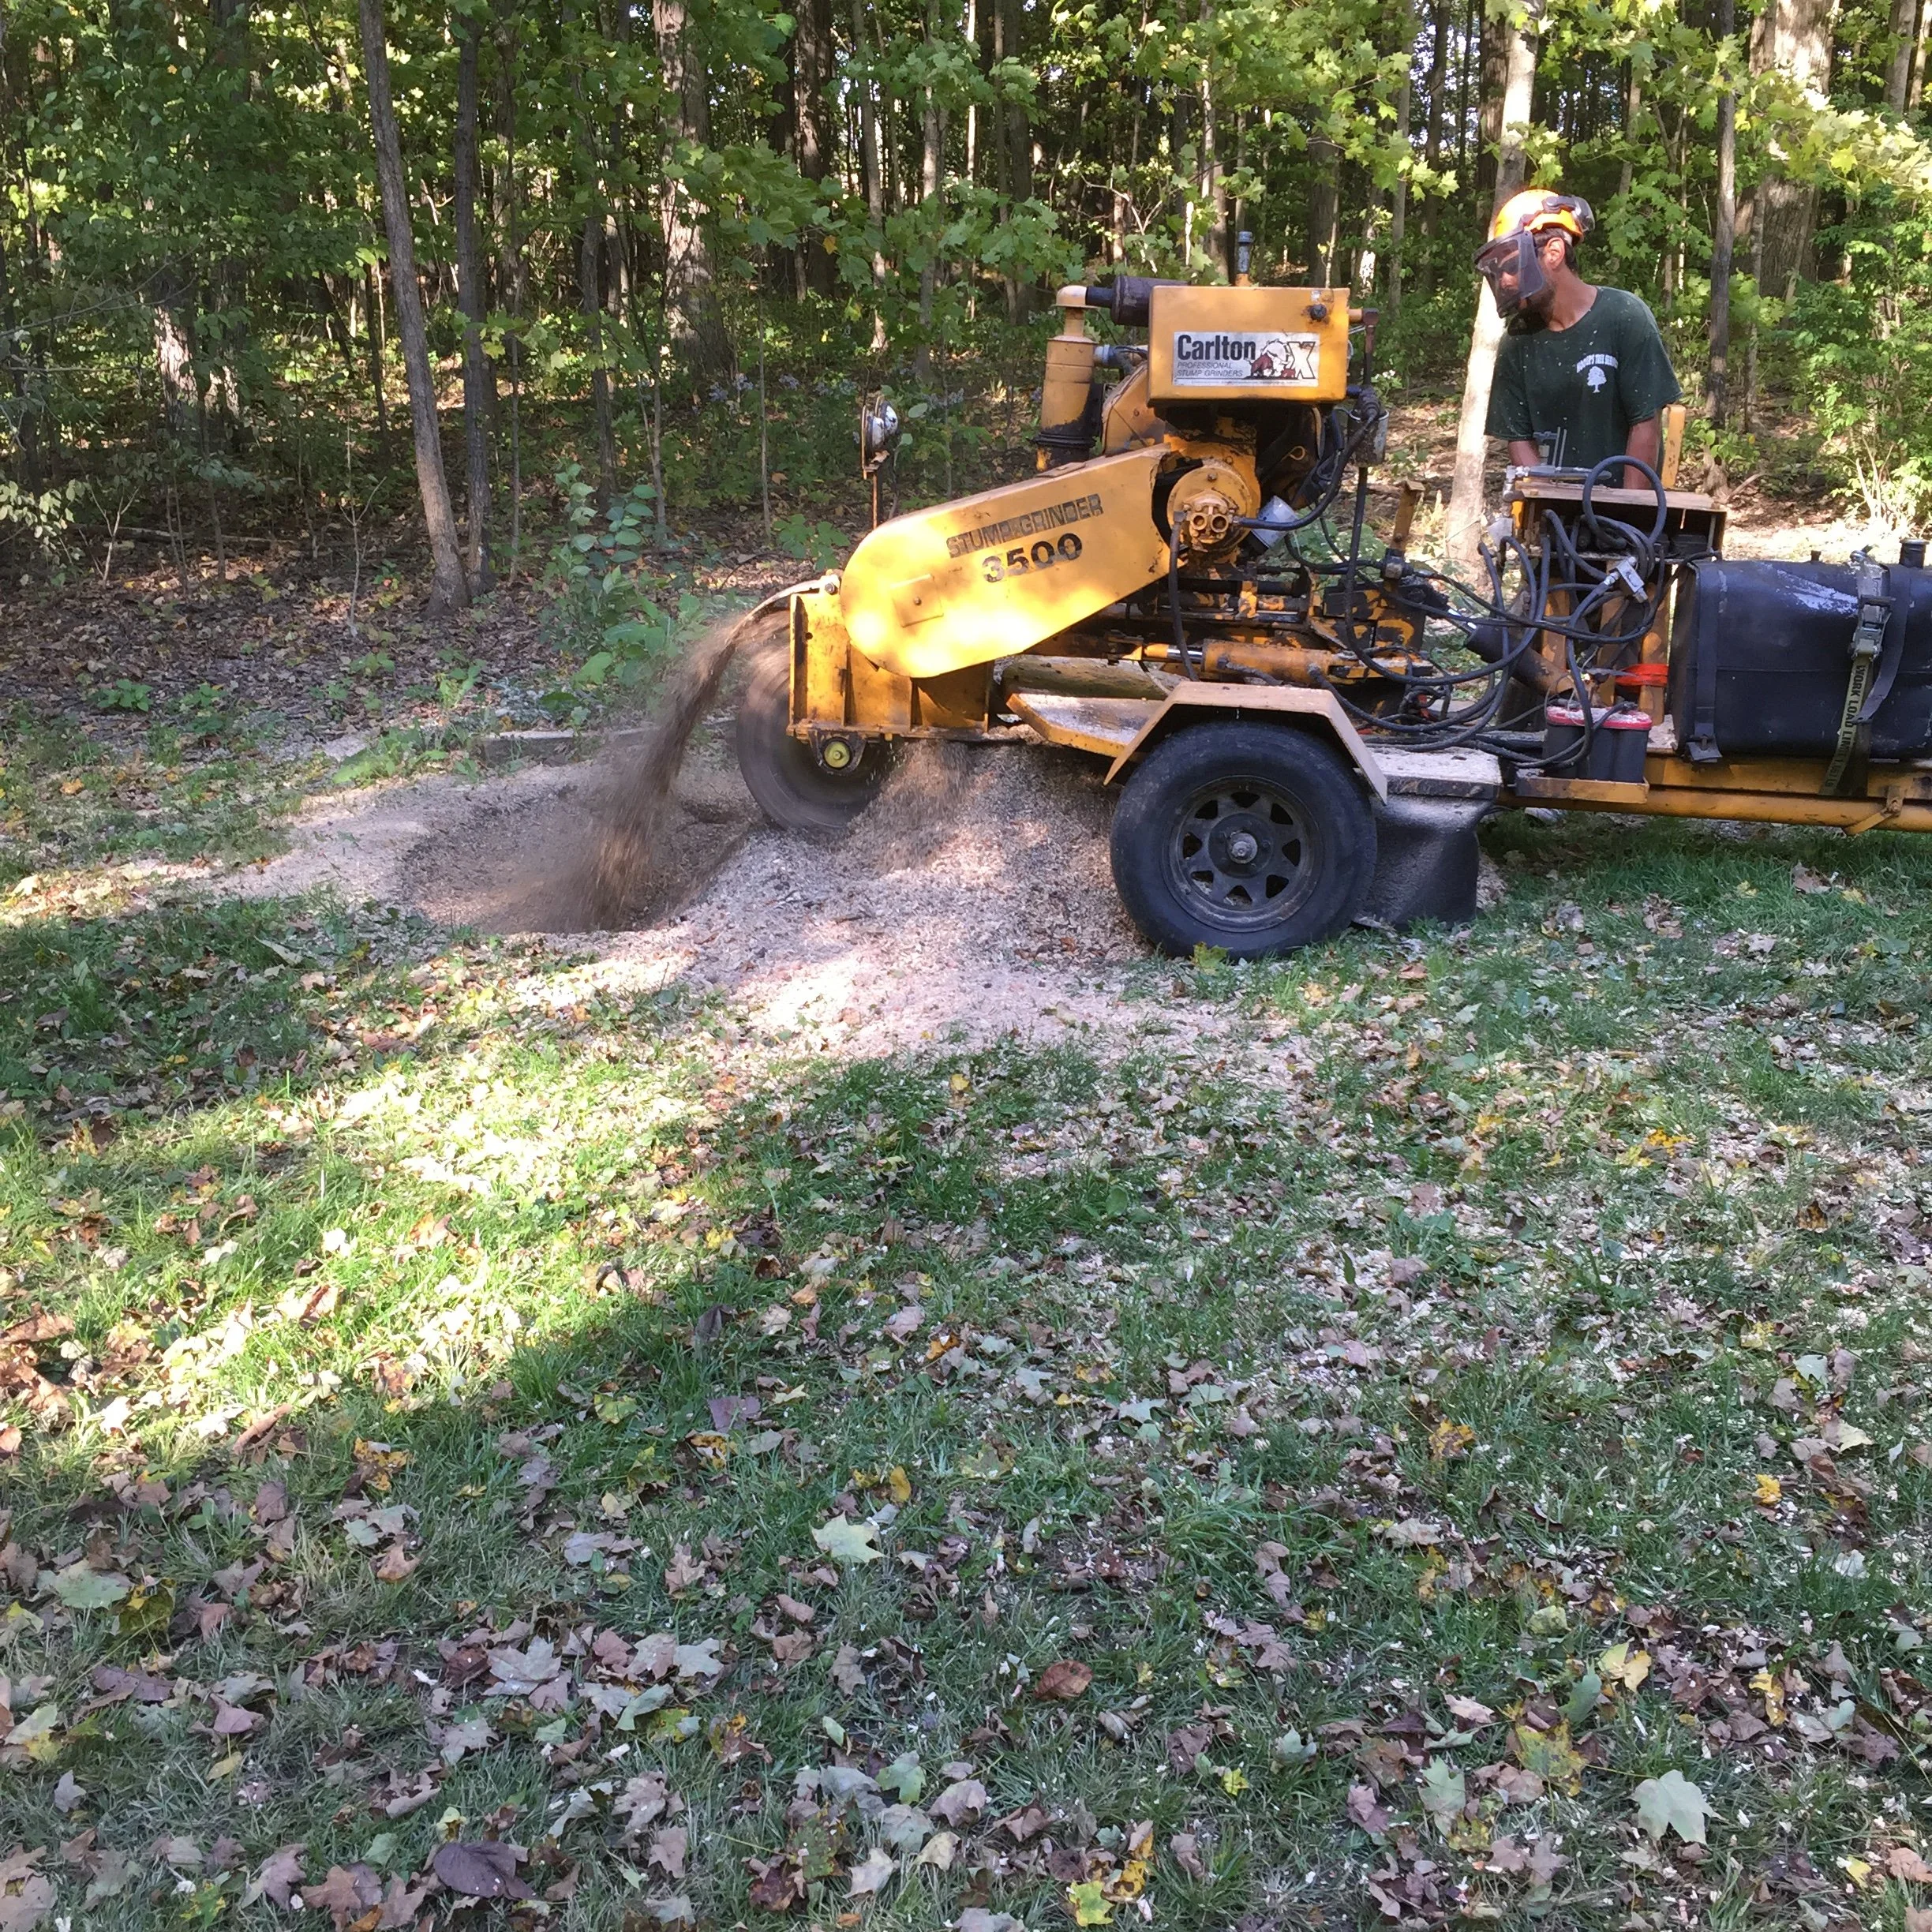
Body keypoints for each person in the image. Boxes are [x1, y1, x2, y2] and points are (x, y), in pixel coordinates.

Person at [1477, 189, 1682, 486]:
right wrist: (1548, 502)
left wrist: (1628, 512)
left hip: (1622, 508)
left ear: (1554, 252)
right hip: (1553, 512)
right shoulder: (1518, 341)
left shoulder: (1623, 316)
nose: (1506, 280)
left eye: (1512, 266)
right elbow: (1518, 439)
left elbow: (1645, 423)